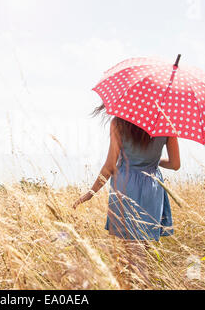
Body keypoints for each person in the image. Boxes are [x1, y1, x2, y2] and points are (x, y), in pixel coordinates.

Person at [73, 103, 180, 282]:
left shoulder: (119, 123)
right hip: (152, 189)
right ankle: (140, 283)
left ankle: (141, 284)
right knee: (140, 251)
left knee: (133, 254)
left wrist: (90, 193)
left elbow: (109, 166)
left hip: (126, 187)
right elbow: (175, 165)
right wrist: (154, 161)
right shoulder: (167, 124)